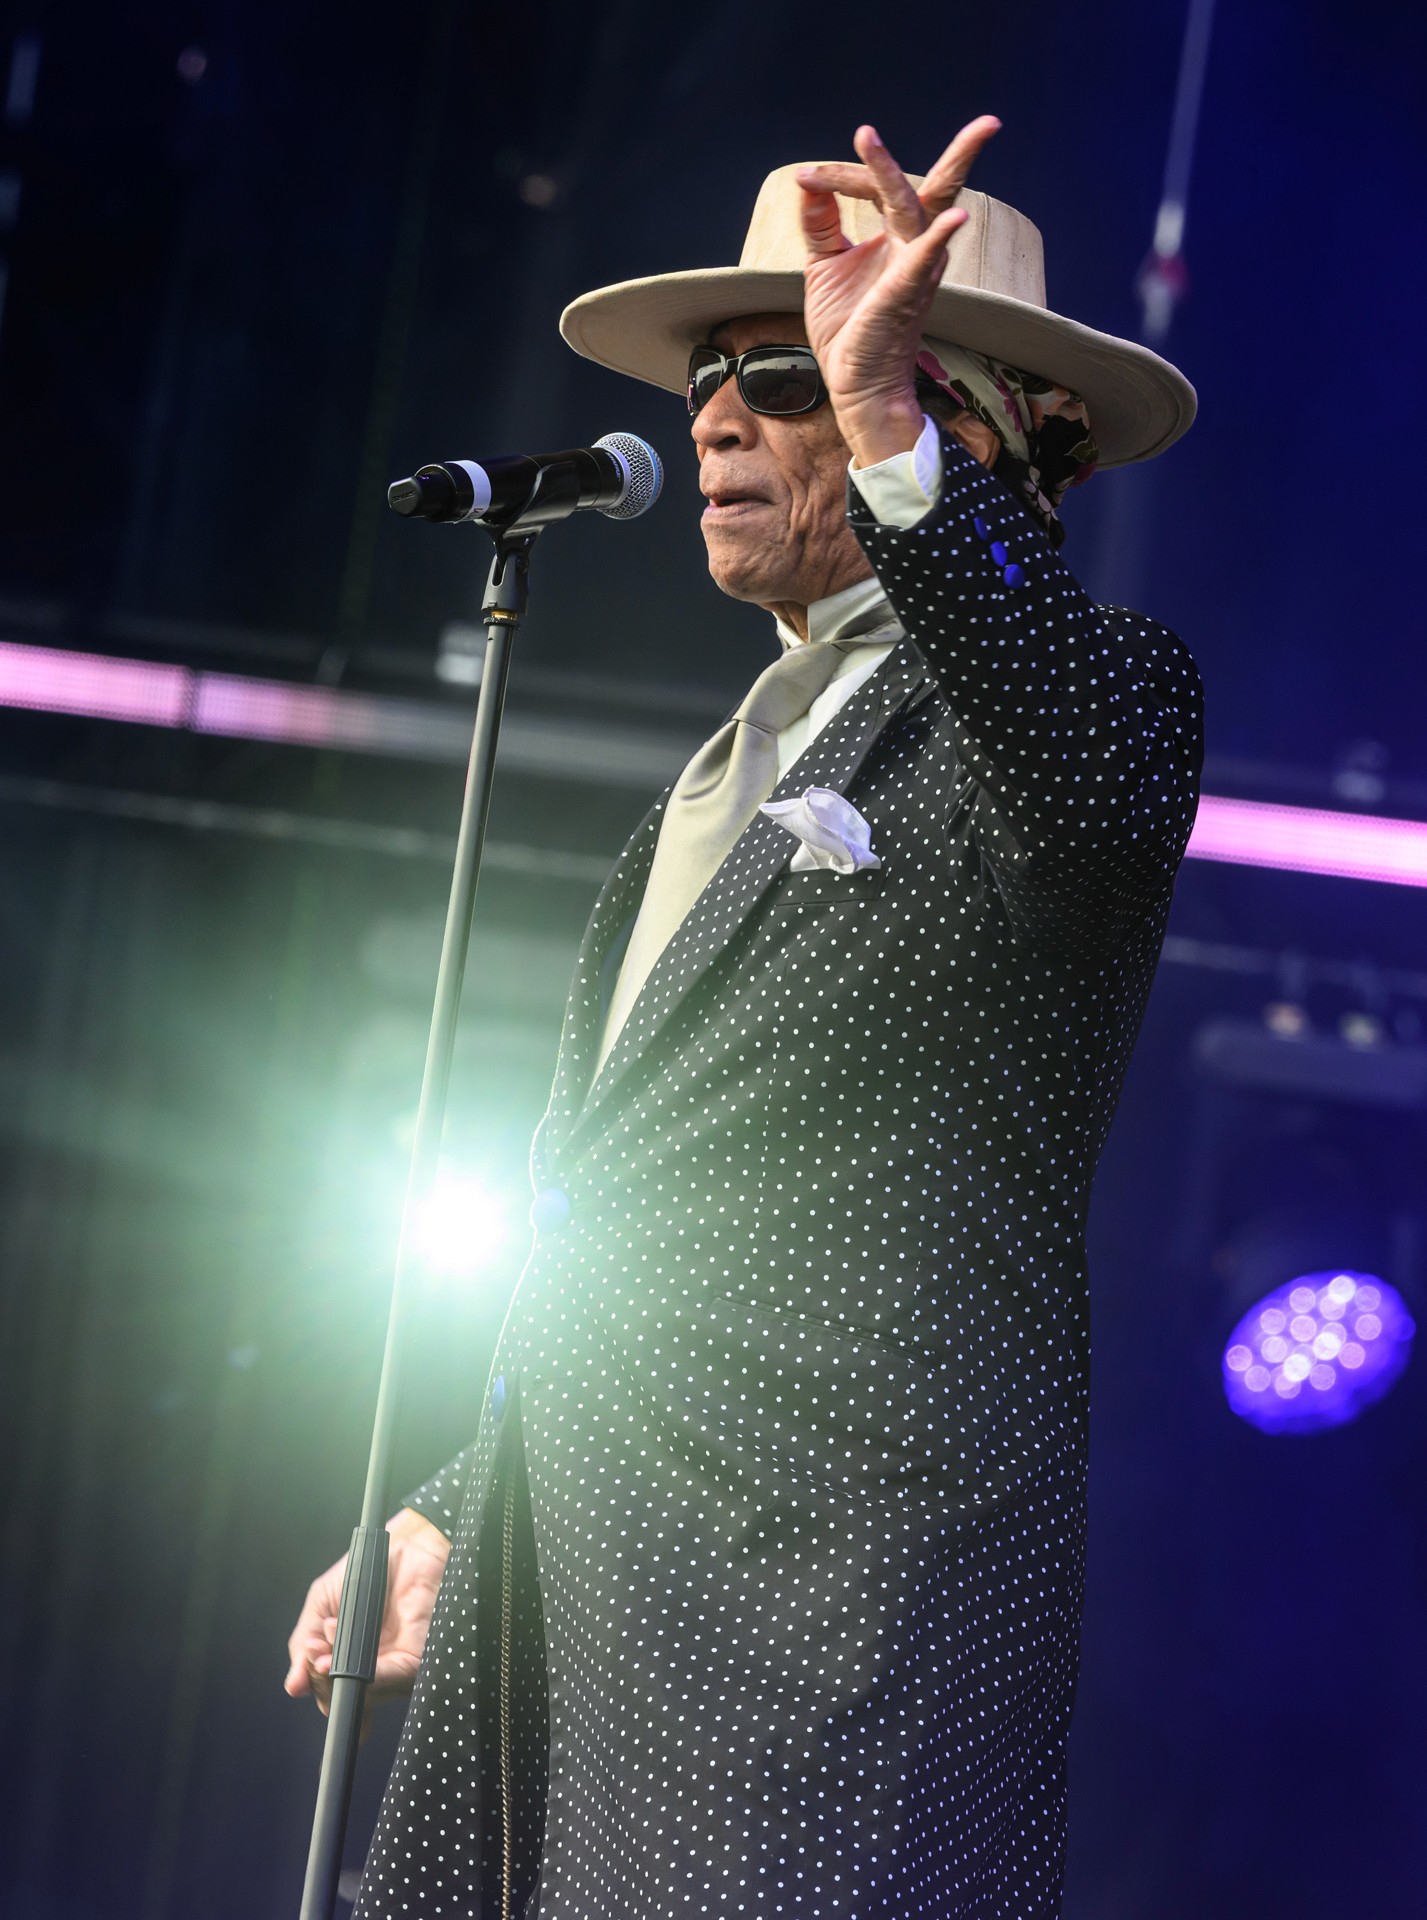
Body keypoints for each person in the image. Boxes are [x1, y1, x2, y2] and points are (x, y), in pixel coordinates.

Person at [287, 117, 1202, 1919]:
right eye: (716, 379)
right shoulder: (734, 767)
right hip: (576, 1613)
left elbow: (1076, 768)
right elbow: (665, 1221)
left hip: (827, 1647)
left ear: (997, 428)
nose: (715, 419)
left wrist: (882, 432)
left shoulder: (1098, 702)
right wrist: (465, 1501)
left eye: (785, 374)